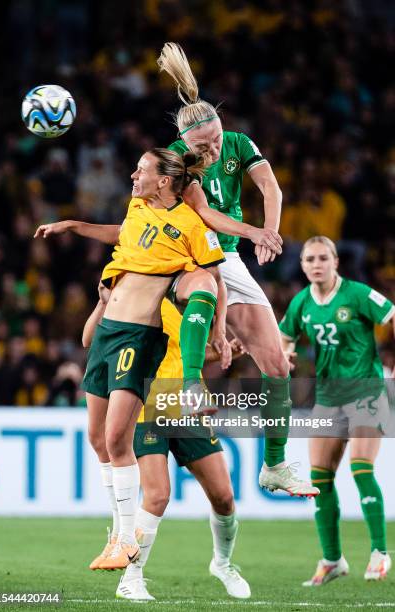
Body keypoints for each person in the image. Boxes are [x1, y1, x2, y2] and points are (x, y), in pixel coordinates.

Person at [35, 147, 228, 569]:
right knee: (98, 439)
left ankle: (125, 539)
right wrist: (73, 225)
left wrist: (220, 330)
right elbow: (122, 233)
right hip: (108, 332)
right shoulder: (138, 207)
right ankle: (118, 535)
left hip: (139, 336)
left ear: (164, 180)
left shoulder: (191, 225)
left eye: (141, 170)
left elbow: (214, 279)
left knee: (119, 438)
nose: (133, 175)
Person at [156, 42, 318, 496]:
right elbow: (205, 215)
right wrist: (254, 234)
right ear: (184, 144)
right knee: (200, 327)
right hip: (186, 255)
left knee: (277, 366)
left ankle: (275, 465)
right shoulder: (175, 157)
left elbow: (272, 188)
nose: (210, 148)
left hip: (227, 258)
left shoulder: (239, 142)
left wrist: (271, 231)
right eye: (200, 145)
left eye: (214, 138)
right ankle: (186, 392)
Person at [83, 284, 251, 601]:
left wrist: (226, 350)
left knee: (224, 497)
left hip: (188, 408)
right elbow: (92, 341)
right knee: (158, 496)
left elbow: (187, 354)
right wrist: (101, 304)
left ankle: (223, 563)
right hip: (146, 408)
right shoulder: (134, 298)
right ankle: (131, 578)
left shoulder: (184, 305)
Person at [279, 236, 394, 586]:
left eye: (323, 258)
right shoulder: (301, 303)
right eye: (310, 259)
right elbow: (285, 338)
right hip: (328, 397)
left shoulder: (357, 294)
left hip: (367, 391)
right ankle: (332, 560)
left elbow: (392, 316)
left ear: (335, 262)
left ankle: (379, 552)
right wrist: (286, 354)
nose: (316, 264)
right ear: (302, 266)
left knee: (361, 467)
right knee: (319, 479)